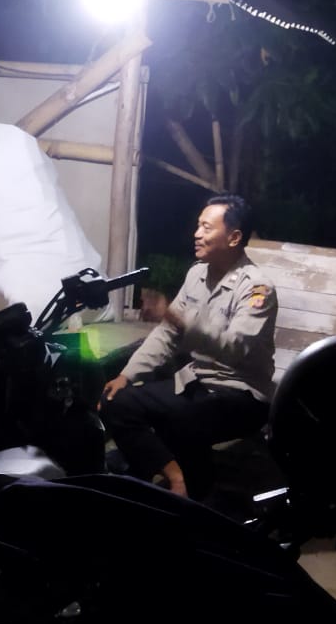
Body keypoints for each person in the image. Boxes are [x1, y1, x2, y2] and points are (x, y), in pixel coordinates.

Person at [101, 194, 277, 499]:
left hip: (241, 392)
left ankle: (195, 492)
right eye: (198, 226)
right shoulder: (197, 274)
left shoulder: (256, 288)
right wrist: (127, 375)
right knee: (116, 401)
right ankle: (174, 476)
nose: (197, 234)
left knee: (180, 418)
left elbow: (236, 347)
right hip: (195, 382)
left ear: (234, 237)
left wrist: (181, 322)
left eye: (207, 228)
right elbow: (166, 335)